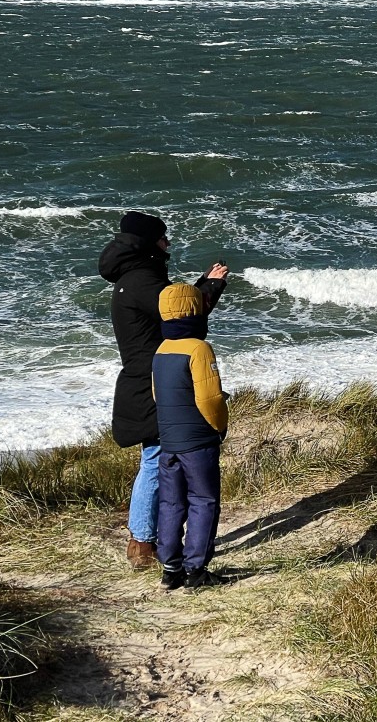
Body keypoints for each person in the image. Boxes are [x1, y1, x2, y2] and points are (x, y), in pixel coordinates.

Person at [98, 212, 228, 569]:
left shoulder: (136, 277)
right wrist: (211, 286)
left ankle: (151, 538)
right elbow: (183, 318)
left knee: (156, 458)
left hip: (148, 377)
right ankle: (141, 542)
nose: (168, 243)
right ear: (149, 242)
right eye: (163, 238)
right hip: (154, 381)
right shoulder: (142, 280)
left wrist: (203, 283)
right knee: (155, 458)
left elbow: (177, 310)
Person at [152, 283, 229, 591]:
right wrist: (219, 427)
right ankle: (196, 570)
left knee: (171, 503)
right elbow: (209, 400)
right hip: (197, 441)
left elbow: (158, 396)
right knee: (203, 500)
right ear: (196, 309)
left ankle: (170, 569)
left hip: (168, 442)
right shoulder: (199, 348)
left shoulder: (161, 349)